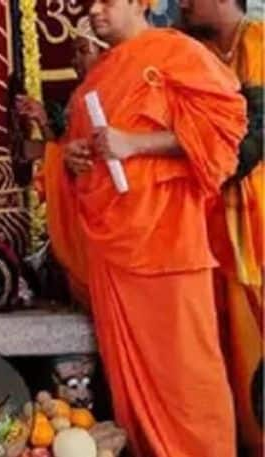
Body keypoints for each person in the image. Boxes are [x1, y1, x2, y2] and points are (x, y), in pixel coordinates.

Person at [61, 0, 247, 455]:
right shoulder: (100, 74)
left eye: (108, 1)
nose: (96, 11)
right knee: (132, 387)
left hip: (169, 241)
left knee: (189, 379)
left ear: (141, 3)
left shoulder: (175, 53)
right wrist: (75, 158)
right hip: (114, 248)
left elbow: (228, 132)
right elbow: (88, 157)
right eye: (91, 3)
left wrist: (136, 143)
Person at [179, 0, 264, 453]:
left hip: (258, 222)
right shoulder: (201, 52)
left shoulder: (258, 41)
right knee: (228, 341)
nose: (182, 4)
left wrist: (189, 160)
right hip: (215, 227)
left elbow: (255, 136)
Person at [13, 20, 108, 308]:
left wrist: (42, 151)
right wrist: (43, 122)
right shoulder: (79, 98)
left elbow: (88, 158)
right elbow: (66, 148)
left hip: (103, 215)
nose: (76, 61)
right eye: (74, 53)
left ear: (105, 54)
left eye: (83, 51)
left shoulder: (110, 95)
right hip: (81, 214)